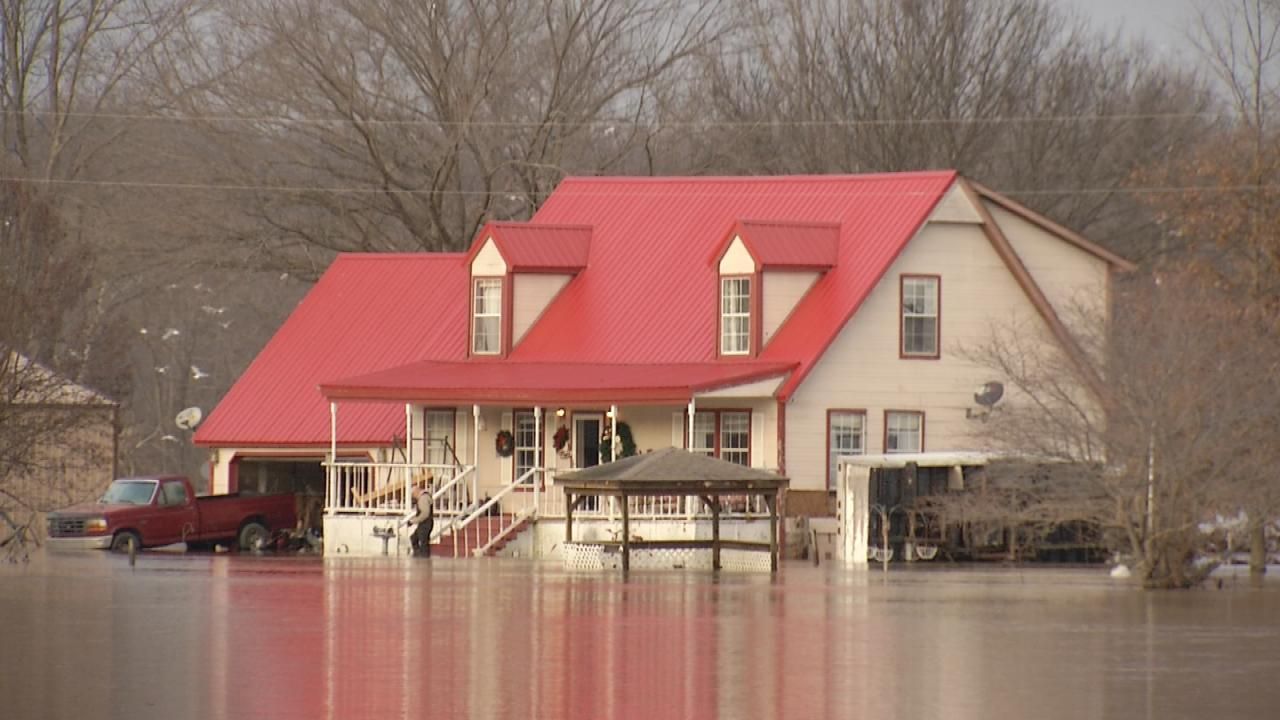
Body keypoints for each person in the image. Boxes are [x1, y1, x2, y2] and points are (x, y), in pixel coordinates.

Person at [409, 488, 435, 557]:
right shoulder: (424, 497)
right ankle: (418, 554)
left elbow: (425, 513)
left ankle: (424, 557)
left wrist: (413, 521)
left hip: (425, 524)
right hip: (424, 524)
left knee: (423, 542)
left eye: (413, 495)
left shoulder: (423, 499)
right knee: (414, 538)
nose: (413, 497)